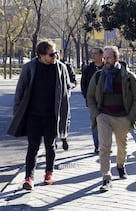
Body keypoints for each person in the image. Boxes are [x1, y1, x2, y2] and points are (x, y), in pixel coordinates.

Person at [7, 40, 71, 190]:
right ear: (42, 55)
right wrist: (18, 114)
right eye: (52, 53)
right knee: (33, 147)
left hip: (52, 116)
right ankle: (29, 178)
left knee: (50, 146)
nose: (56, 55)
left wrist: (65, 119)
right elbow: (20, 92)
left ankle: (49, 173)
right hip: (33, 115)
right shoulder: (29, 67)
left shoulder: (61, 68)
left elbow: (65, 95)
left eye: (56, 52)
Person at [87, 46, 136, 192]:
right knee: (104, 147)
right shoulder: (99, 76)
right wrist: (97, 114)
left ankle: (120, 165)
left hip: (122, 117)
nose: (105, 61)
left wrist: (130, 117)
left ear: (116, 59)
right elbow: (90, 97)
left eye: (109, 58)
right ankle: (106, 177)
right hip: (104, 116)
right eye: (104, 58)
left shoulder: (128, 76)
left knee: (122, 146)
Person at [81, 47, 104, 154]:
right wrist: (87, 97)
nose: (93, 56)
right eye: (93, 54)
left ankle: (105, 144)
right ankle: (97, 146)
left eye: (95, 54)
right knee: (95, 123)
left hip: (107, 101)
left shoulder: (107, 67)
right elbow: (83, 84)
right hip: (93, 102)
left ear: (101, 55)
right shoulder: (88, 69)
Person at [57, 52, 77, 151]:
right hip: (52, 100)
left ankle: (64, 137)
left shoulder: (66, 66)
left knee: (65, 118)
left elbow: (74, 81)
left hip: (64, 97)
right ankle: (53, 140)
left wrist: (69, 86)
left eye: (56, 54)